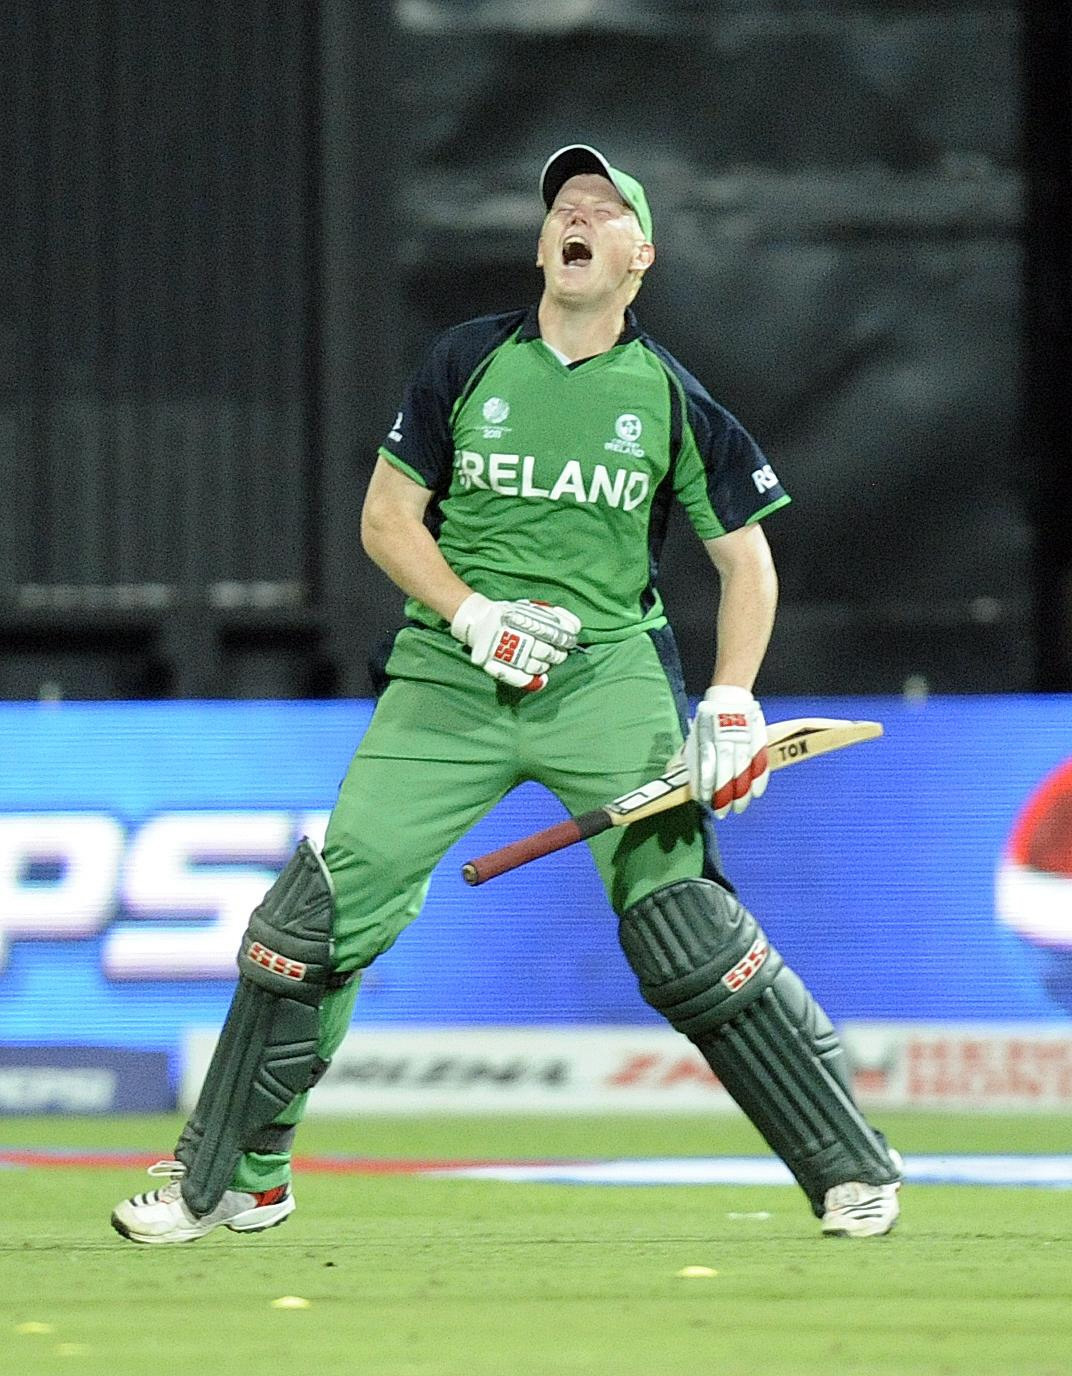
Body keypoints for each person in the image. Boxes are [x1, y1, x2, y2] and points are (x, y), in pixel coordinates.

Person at [111, 143, 902, 1244]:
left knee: (683, 934)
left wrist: (728, 701)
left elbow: (747, 564)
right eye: (560, 206)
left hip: (607, 679)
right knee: (309, 925)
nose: (574, 214)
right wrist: (473, 613)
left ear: (639, 254)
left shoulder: (670, 397)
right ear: (544, 245)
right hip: (450, 679)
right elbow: (386, 521)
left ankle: (850, 1171)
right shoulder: (464, 362)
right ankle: (234, 1178)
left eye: (600, 206)